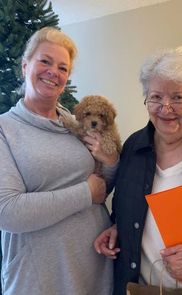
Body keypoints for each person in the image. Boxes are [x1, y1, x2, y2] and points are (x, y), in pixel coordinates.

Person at [94, 46, 182, 295]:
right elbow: (126, 209)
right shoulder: (133, 146)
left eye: (178, 97)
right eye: (156, 97)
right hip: (140, 289)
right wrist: (119, 229)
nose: (165, 107)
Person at [0, 27, 118, 295]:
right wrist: (84, 193)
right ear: (25, 65)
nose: (54, 71)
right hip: (42, 276)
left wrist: (111, 162)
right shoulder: (5, 129)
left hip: (96, 265)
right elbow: (7, 212)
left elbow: (102, 187)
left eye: (63, 67)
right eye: (45, 61)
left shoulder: (76, 124)